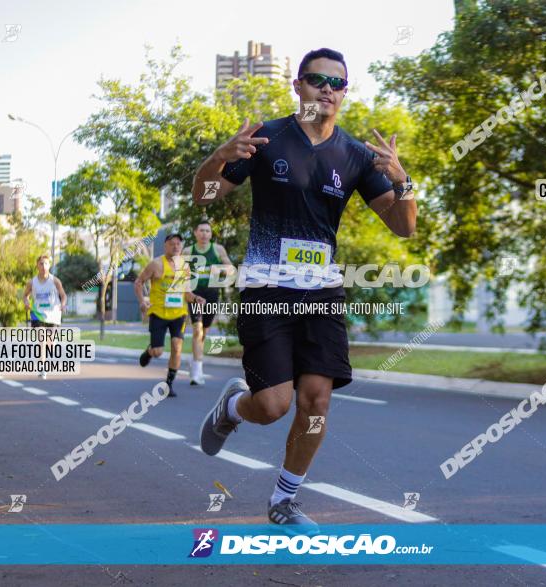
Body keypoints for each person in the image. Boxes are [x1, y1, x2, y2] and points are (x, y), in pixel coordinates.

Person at [192, 48, 416, 529]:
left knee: (316, 400)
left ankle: (284, 500)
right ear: (298, 85)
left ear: (345, 93)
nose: (327, 90)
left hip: (322, 293)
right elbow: (204, 196)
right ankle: (232, 406)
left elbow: (403, 228)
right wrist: (218, 158)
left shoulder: (356, 155)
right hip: (265, 290)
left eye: (336, 83)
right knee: (273, 406)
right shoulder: (267, 137)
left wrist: (404, 183)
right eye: (317, 80)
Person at [132, 233, 206, 398]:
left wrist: (195, 298)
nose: (175, 247)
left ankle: (169, 384)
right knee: (158, 351)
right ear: (165, 246)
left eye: (178, 244)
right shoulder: (156, 264)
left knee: (177, 347)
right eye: (172, 244)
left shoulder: (184, 267)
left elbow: (186, 292)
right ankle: (150, 351)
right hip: (158, 312)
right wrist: (142, 302)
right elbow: (138, 282)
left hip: (178, 314)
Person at [184, 221, 233, 385]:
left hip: (212, 293)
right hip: (195, 294)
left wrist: (223, 269)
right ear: (195, 233)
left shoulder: (218, 249)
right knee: (197, 330)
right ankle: (197, 373)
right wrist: (188, 294)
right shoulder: (188, 251)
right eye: (201, 230)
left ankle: (194, 361)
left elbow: (230, 268)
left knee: (204, 332)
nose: (204, 234)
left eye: (207, 231)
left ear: (211, 234)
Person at [23, 254, 67, 379]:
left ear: (49, 265)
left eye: (46, 263)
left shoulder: (55, 281)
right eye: (41, 263)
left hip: (53, 315)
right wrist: (26, 303)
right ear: (37, 265)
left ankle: (52, 344)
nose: (43, 266)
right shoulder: (32, 282)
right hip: (37, 314)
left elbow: (63, 295)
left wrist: (63, 305)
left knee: (50, 343)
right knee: (41, 340)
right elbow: (25, 296)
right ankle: (42, 368)